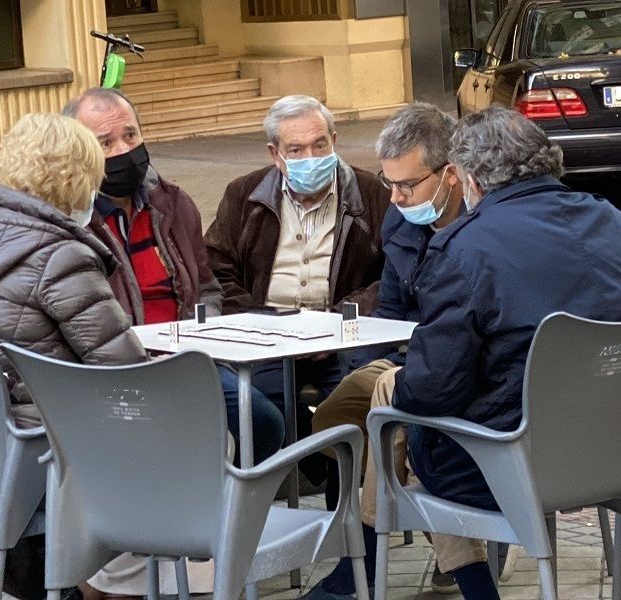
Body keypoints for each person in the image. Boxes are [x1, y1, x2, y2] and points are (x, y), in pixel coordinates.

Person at [367, 106, 621, 600]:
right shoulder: (613, 221)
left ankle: (385, 559)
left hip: (510, 462)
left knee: (395, 401)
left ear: (471, 179)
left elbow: (431, 391)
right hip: (618, 449)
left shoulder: (464, 247)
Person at [63, 88, 283, 600]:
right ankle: (155, 560)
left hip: (188, 359)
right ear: (79, 150)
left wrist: (205, 334)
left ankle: (206, 546)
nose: (123, 150)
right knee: (195, 439)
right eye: (106, 141)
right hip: (120, 368)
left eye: (131, 135)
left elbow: (204, 286)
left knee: (263, 421)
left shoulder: (173, 201)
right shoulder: (74, 220)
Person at [0, 112, 148, 600]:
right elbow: (130, 377)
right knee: (201, 438)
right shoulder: (59, 255)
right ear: (78, 180)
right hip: (44, 454)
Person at [305, 102, 497, 600]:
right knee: (334, 421)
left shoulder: (485, 230)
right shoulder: (400, 224)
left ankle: (360, 566)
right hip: (408, 355)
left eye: (407, 185)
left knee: (392, 416)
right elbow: (390, 311)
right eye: (389, 184)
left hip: (462, 369)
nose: (394, 198)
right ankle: (435, 529)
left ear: (451, 175)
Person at [204, 95, 389, 484]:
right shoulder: (244, 194)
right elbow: (217, 268)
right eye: (296, 149)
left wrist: (340, 319)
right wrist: (260, 321)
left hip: (340, 338)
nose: (311, 156)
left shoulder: (373, 195)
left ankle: (350, 521)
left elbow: (394, 275)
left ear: (334, 140)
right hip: (267, 336)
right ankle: (282, 493)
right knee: (255, 411)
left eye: (320, 144)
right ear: (276, 154)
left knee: (351, 407)